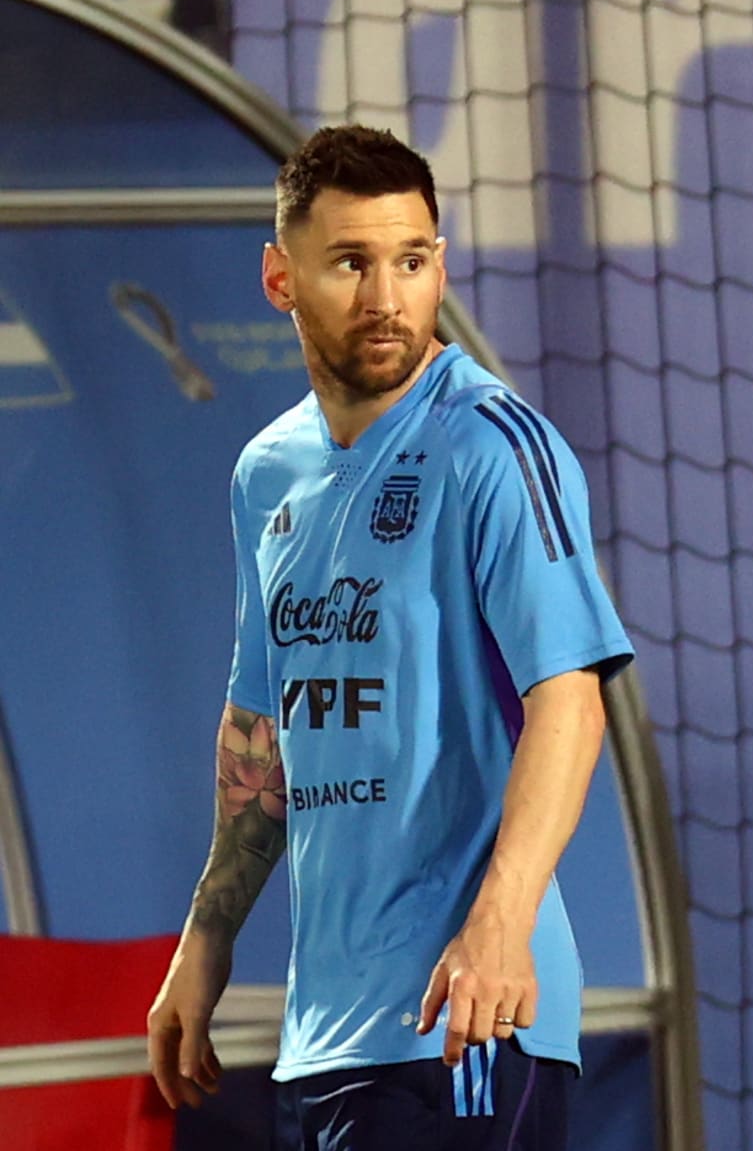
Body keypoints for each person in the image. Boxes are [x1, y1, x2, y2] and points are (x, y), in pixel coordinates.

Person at [145, 125, 633, 1149]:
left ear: (439, 265)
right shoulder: (265, 475)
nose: (386, 297)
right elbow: (264, 727)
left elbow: (570, 699)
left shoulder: (495, 446)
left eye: (411, 261)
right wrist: (208, 935)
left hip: (468, 1023)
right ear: (282, 278)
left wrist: (500, 921)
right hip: (330, 1035)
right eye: (351, 264)